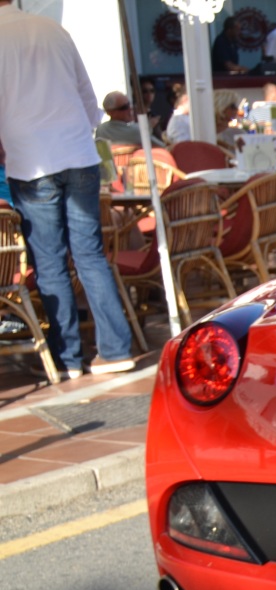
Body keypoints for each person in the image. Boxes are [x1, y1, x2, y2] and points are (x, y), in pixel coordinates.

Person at [0, 0, 137, 378]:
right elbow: (89, 98)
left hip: (31, 161)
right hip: (78, 153)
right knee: (90, 255)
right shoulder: (54, 30)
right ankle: (115, 350)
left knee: (49, 262)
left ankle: (69, 359)